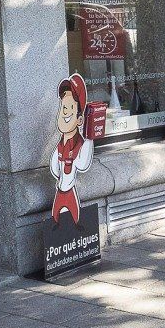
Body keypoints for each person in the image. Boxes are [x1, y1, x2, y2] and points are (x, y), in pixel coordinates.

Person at [49, 74, 93, 224]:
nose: (65, 112)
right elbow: (55, 169)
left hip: (70, 191)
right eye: (63, 107)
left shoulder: (80, 145)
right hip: (60, 190)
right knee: (56, 220)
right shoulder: (60, 146)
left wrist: (90, 139)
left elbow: (82, 164)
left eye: (70, 108)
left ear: (80, 119)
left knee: (75, 221)